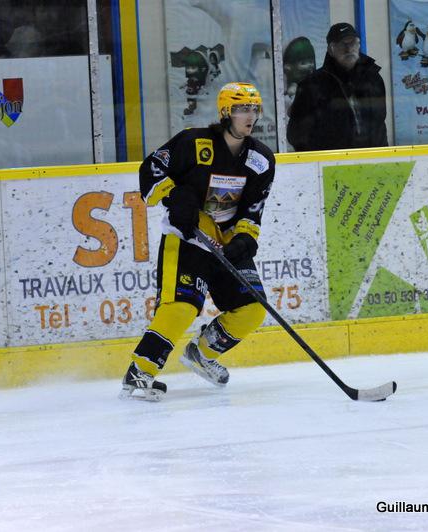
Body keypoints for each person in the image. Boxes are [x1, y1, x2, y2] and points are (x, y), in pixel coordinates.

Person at [121, 82, 275, 401]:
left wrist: (244, 239)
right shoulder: (194, 142)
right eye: (242, 109)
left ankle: (202, 354)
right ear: (226, 112)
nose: (250, 116)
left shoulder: (260, 159)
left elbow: (253, 209)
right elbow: (151, 169)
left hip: (224, 243)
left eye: (254, 109)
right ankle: (139, 373)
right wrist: (174, 196)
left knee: (251, 309)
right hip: (188, 239)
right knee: (181, 307)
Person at [287, 22, 387, 151]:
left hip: (374, 159)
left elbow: (380, 125)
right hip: (331, 161)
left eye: (352, 43)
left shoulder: (373, 79)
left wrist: (383, 155)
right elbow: (296, 135)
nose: (349, 49)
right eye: (342, 44)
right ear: (331, 50)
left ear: (358, 45)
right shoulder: (311, 86)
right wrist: (321, 158)